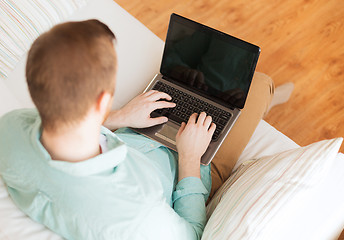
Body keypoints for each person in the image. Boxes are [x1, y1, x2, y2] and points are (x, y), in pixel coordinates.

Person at [0, 20, 291, 239]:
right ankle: (267, 97)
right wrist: (189, 158)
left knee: (192, 73)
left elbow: (63, 123)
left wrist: (119, 116)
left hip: (134, 131)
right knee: (253, 83)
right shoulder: (138, 215)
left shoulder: (10, 129)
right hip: (189, 165)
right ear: (102, 100)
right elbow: (191, 233)